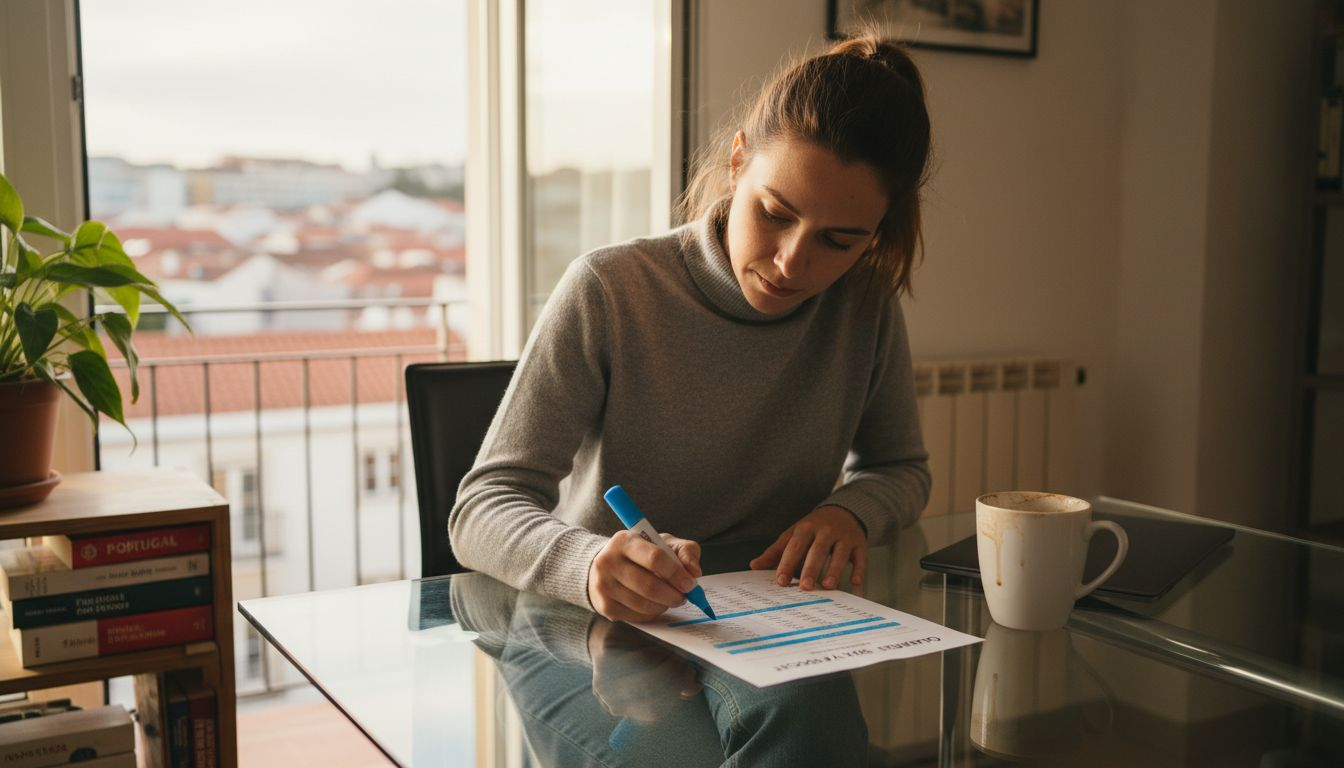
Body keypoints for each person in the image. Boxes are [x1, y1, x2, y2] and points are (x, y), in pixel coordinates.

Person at [450, 32, 933, 623]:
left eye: (839, 241)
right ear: (737, 162)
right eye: (775, 214)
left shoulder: (866, 304)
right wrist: (587, 564)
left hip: (781, 629)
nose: (790, 262)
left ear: (876, 234)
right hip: (603, 637)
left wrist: (851, 513)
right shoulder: (609, 290)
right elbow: (481, 508)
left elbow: (900, 468)